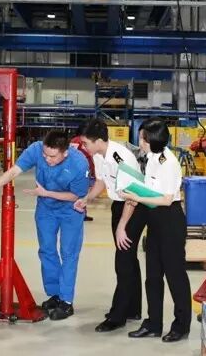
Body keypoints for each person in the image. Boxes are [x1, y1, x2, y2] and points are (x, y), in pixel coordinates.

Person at [0, 130, 89, 321]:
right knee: (47, 251)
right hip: (46, 209)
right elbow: (12, 172)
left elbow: (77, 196)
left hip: (71, 210)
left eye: (52, 156)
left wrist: (46, 193)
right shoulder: (36, 150)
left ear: (65, 153)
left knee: (69, 253)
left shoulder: (79, 163)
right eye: (45, 155)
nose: (47, 159)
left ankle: (66, 301)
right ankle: (55, 294)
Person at [119, 118, 191, 343]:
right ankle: (153, 323)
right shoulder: (151, 158)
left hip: (170, 220)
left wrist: (136, 197)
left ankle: (181, 326)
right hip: (154, 219)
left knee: (175, 276)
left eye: (143, 139)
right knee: (152, 276)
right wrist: (134, 191)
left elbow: (167, 199)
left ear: (155, 141)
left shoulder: (168, 163)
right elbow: (150, 190)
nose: (140, 142)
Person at [73, 119, 145, 333]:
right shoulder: (98, 155)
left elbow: (133, 194)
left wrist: (122, 226)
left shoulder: (121, 157)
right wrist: (86, 199)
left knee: (122, 261)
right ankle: (133, 308)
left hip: (133, 207)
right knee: (128, 259)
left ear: (98, 140)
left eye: (85, 143)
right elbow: (101, 182)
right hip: (119, 205)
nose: (83, 146)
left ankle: (118, 316)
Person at [70, 132, 96, 222]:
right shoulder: (81, 141)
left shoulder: (73, 141)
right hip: (84, 169)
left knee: (80, 192)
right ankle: (80, 213)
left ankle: (82, 213)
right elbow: (89, 153)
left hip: (79, 169)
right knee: (82, 192)